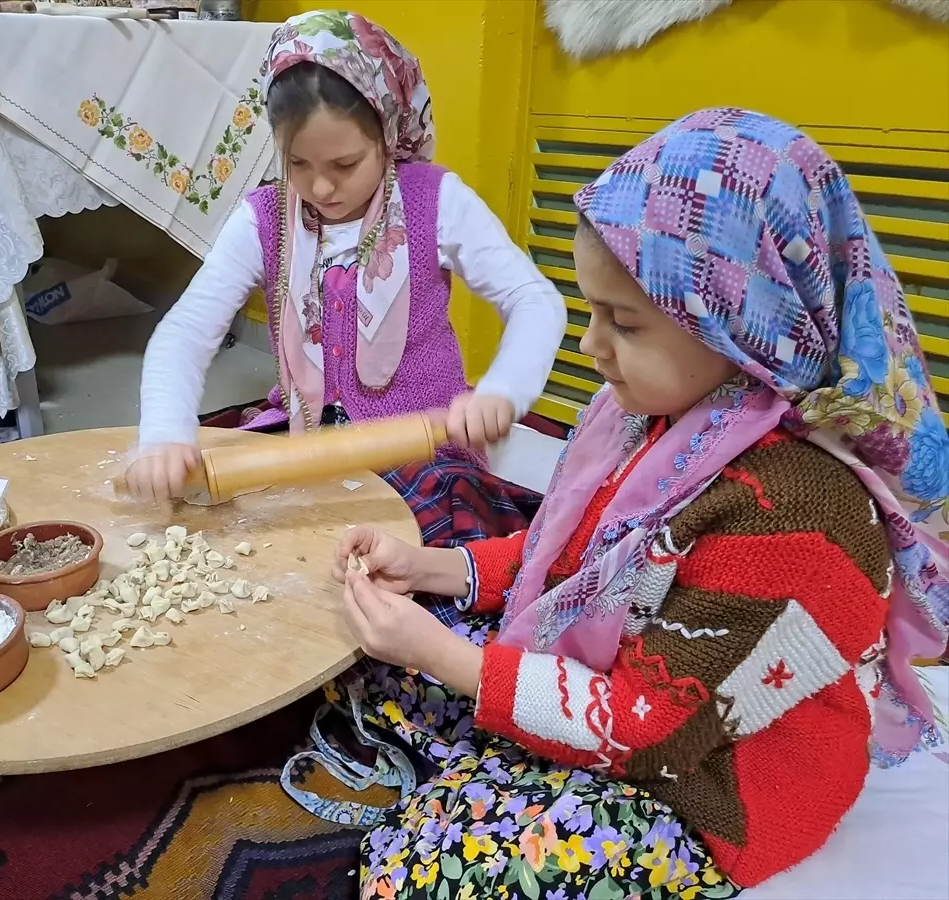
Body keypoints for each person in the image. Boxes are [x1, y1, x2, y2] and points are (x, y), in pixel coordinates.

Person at [305, 108, 949, 899]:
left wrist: (443, 656)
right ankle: (480, 760)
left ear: (741, 326)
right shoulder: (661, 421)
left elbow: (646, 728)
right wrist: (433, 568)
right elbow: (572, 554)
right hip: (636, 694)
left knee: (435, 869)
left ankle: (475, 787)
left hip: (709, 784)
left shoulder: (795, 513)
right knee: (363, 660)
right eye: (590, 311)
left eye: (625, 322)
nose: (589, 346)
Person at [127, 10, 565, 507]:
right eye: (298, 163)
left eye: (345, 164)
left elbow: (534, 301)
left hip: (420, 450)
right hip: (310, 443)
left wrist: (503, 390)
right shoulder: (266, 217)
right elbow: (186, 329)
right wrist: (164, 432)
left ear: (387, 132)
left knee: (427, 536)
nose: (319, 187)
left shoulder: (435, 200)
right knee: (218, 512)